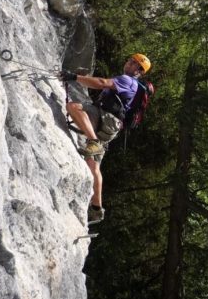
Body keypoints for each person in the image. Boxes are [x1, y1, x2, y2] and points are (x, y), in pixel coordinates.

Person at [59, 53, 151, 224]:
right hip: (111, 127)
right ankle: (96, 208)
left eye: (133, 63)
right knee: (93, 163)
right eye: (129, 60)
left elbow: (102, 83)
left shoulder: (127, 80)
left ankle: (93, 142)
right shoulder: (133, 85)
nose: (128, 63)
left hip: (107, 119)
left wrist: (74, 77)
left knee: (73, 107)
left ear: (139, 71)